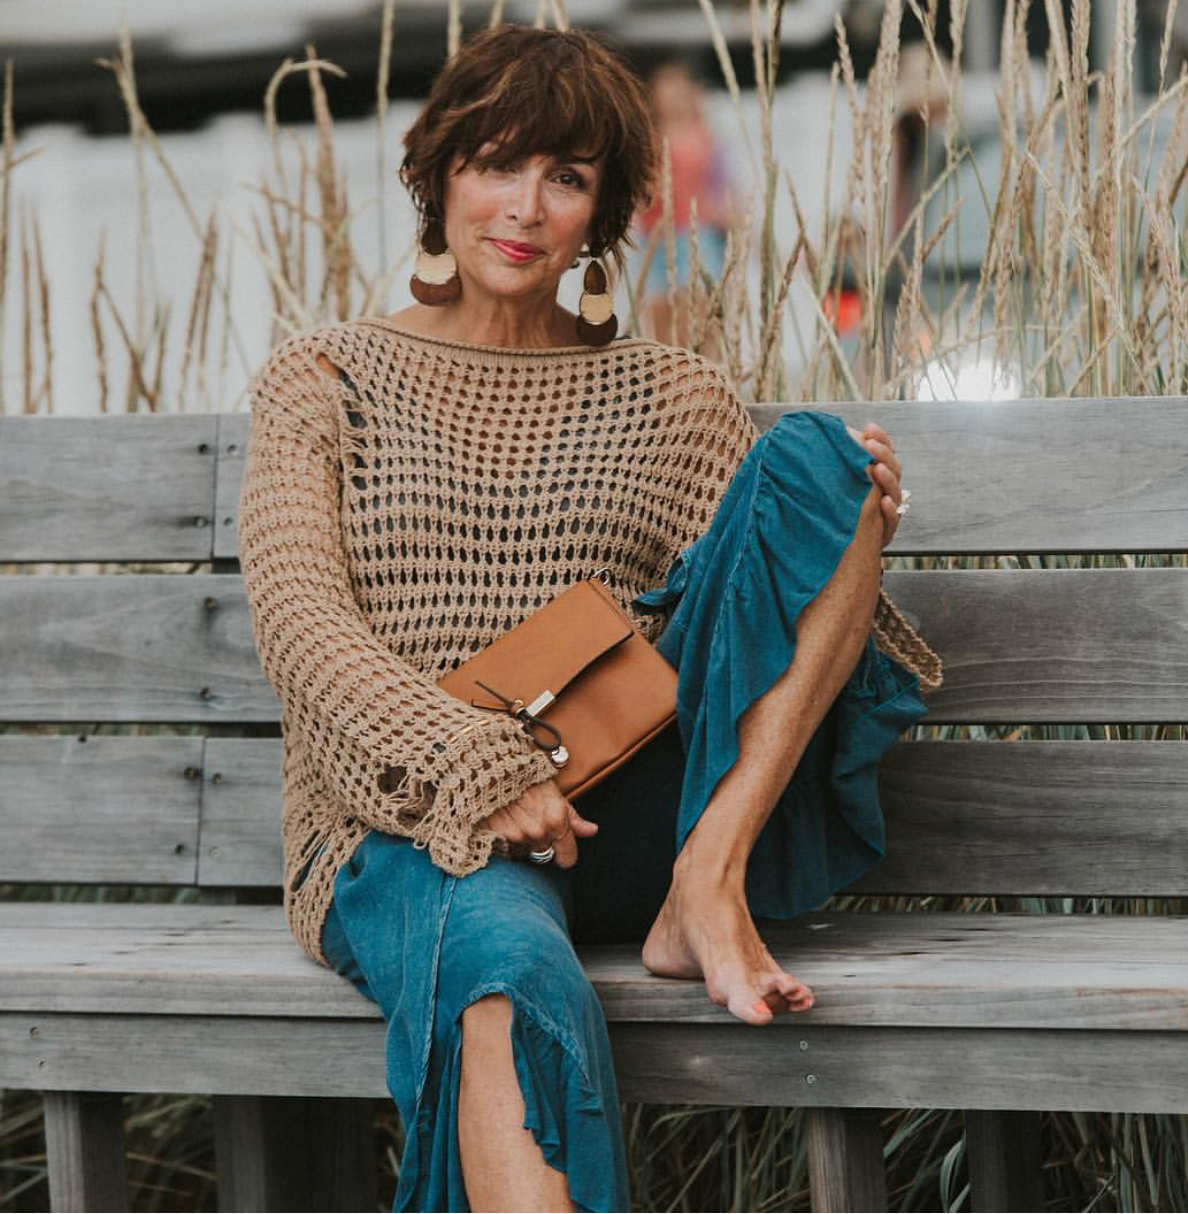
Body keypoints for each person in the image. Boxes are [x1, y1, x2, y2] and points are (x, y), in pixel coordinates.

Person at [236, 23, 942, 1214]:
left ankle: (702, 892)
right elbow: (302, 623)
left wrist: (856, 513)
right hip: (407, 821)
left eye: (565, 177)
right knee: (504, 971)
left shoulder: (671, 394)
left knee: (821, 459)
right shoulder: (326, 379)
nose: (523, 206)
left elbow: (793, 621)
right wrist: (473, 763)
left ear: (603, 212)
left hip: (635, 813)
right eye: (495, 164)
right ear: (437, 177)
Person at [633, 58, 734, 347]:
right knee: (659, 308)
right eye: (666, 87)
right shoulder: (648, 135)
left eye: (678, 87)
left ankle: (704, 364)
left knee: (700, 303)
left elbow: (722, 181)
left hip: (695, 231)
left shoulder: (703, 133)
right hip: (655, 234)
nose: (672, 95)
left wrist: (731, 217)